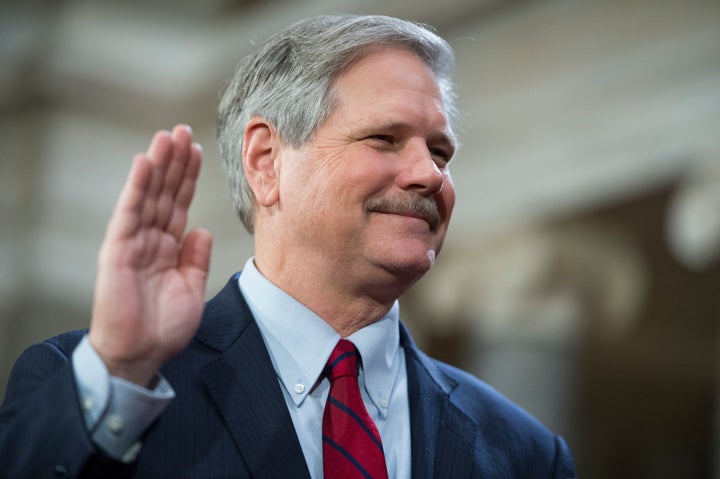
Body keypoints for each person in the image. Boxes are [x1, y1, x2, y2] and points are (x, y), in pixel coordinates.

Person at [0, 14, 576, 478]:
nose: (430, 175)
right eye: (385, 138)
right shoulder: (105, 385)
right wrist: (120, 371)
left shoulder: (524, 453)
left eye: (441, 152)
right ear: (266, 161)